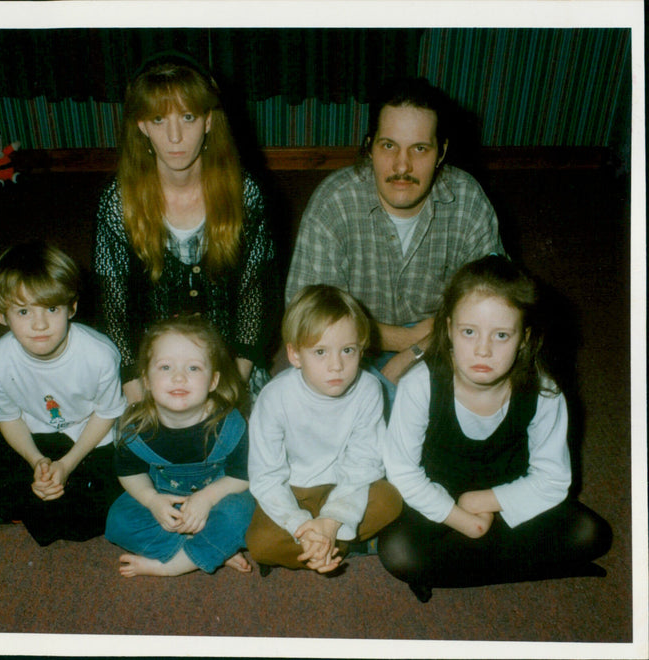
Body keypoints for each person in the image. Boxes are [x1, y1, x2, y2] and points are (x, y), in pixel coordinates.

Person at [377, 255, 612, 602]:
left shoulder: (544, 391)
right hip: (441, 501)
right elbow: (402, 471)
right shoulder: (420, 385)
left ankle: (448, 572)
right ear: (448, 331)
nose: (483, 350)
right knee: (398, 551)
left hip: (508, 499)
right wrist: (461, 517)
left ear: (523, 338)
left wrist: (482, 500)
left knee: (592, 534)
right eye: (469, 332)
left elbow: (553, 479)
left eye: (501, 335)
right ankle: (524, 565)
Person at [285, 77, 504, 406]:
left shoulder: (468, 200)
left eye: (420, 148)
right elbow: (305, 316)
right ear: (369, 147)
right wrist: (405, 338)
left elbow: (497, 306)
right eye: (389, 146)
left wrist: (409, 355)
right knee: (296, 409)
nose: (402, 166)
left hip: (442, 343)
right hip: (348, 347)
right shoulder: (333, 203)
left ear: (441, 152)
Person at [94, 50, 279, 404]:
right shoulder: (117, 203)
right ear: (141, 125)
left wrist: (232, 387)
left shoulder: (245, 193)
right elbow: (112, 309)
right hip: (151, 368)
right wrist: (136, 393)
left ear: (209, 121)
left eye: (189, 117)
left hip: (227, 362)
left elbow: (257, 294)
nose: (175, 137)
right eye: (159, 120)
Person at [0, 242, 127, 546]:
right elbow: (8, 419)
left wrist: (66, 465)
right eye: (23, 311)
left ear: (72, 307)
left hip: (86, 442)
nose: (39, 324)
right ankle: (30, 506)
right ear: (1, 315)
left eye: (51, 308)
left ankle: (12, 510)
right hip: (32, 437)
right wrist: (37, 461)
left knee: (110, 512)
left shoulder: (100, 354)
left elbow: (107, 413)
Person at [246, 285, 403, 574]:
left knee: (391, 500)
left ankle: (325, 543)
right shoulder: (274, 397)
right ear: (294, 355)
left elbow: (365, 462)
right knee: (260, 544)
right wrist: (300, 525)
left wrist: (331, 520)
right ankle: (335, 546)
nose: (336, 366)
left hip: (344, 484)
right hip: (293, 488)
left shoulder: (369, 387)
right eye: (320, 351)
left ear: (361, 349)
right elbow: (266, 475)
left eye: (348, 351)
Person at [104, 315, 255, 577]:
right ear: (146, 381)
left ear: (213, 381)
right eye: (165, 368)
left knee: (242, 513)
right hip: (163, 498)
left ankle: (174, 566)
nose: (179, 378)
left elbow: (242, 476)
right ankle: (210, 550)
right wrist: (152, 501)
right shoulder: (135, 428)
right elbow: (130, 473)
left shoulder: (231, 424)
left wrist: (206, 499)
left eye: (193, 368)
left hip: (217, 497)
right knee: (119, 520)